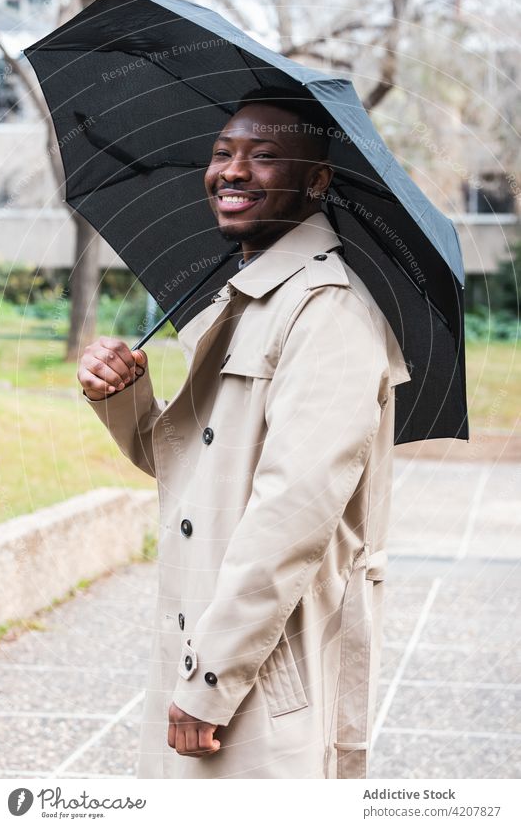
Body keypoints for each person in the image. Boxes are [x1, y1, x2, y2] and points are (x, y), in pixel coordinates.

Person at [77, 86, 411, 779]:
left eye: (262, 155)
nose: (231, 170)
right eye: (222, 152)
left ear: (317, 180)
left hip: (262, 668)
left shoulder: (328, 312)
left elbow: (294, 511)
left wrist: (210, 680)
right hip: (205, 649)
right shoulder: (250, 299)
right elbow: (196, 475)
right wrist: (125, 394)